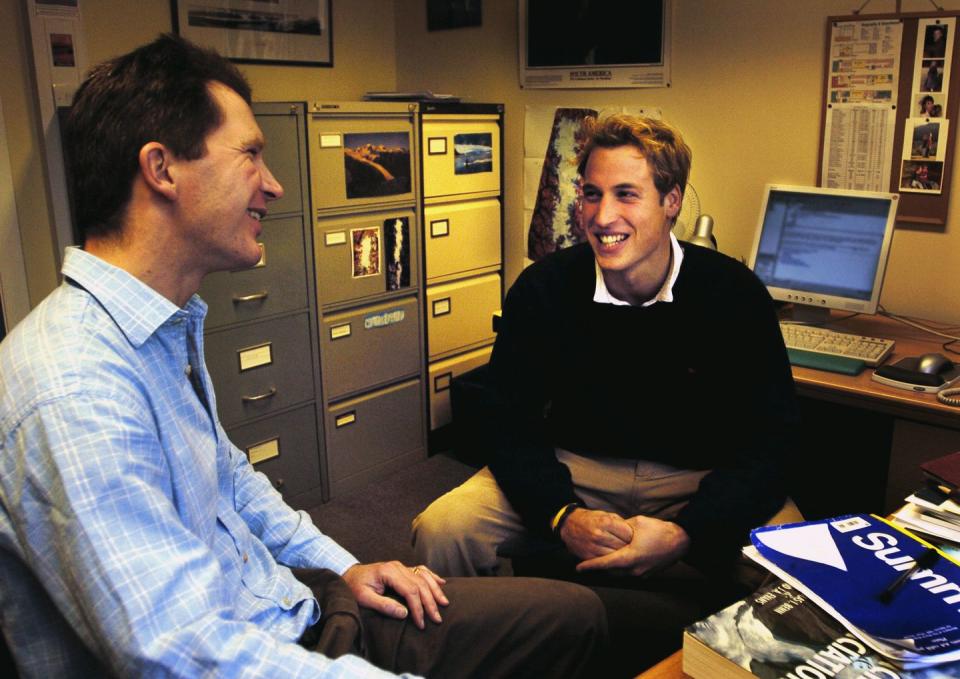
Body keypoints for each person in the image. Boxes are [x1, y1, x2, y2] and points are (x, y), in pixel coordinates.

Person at [0, 34, 607, 678]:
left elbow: (227, 480)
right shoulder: (74, 389)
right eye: (251, 156)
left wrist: (342, 566)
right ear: (162, 169)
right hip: (273, 652)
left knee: (573, 617)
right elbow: (179, 654)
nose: (274, 185)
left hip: (295, 609)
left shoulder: (156, 330)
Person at [413, 114, 800, 585]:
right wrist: (561, 514)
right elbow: (507, 422)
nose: (601, 217)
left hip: (693, 479)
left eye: (627, 194)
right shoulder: (545, 287)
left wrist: (688, 531)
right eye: (592, 194)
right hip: (575, 468)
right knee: (443, 529)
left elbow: (771, 444)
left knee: (793, 563)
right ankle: (472, 650)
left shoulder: (733, 292)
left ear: (671, 201)